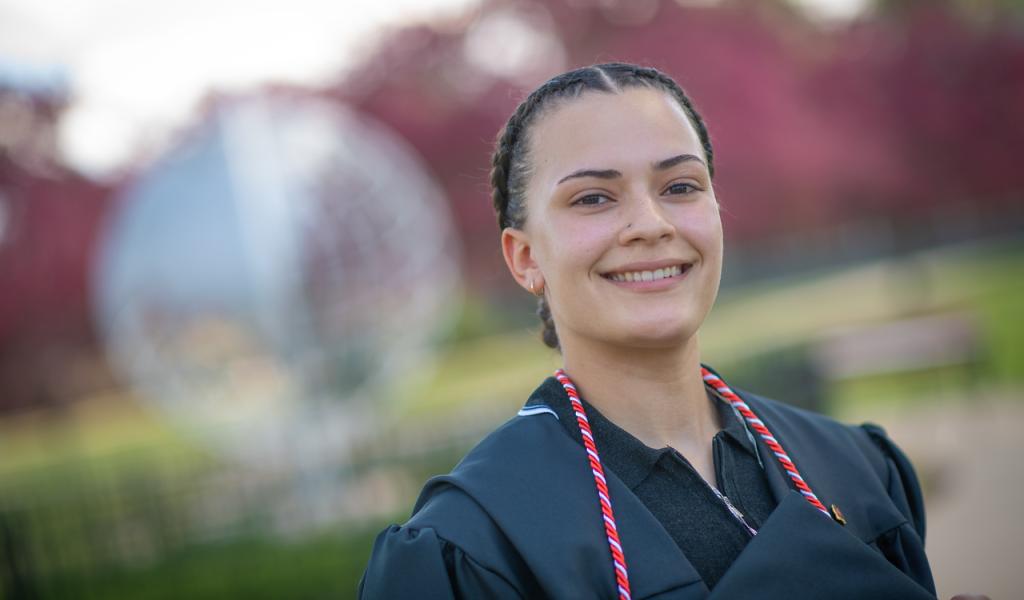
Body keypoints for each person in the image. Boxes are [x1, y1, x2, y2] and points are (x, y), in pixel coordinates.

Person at [359, 63, 944, 599]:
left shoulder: (857, 468)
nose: (650, 224)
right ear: (525, 258)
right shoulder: (471, 546)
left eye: (680, 186)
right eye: (593, 198)